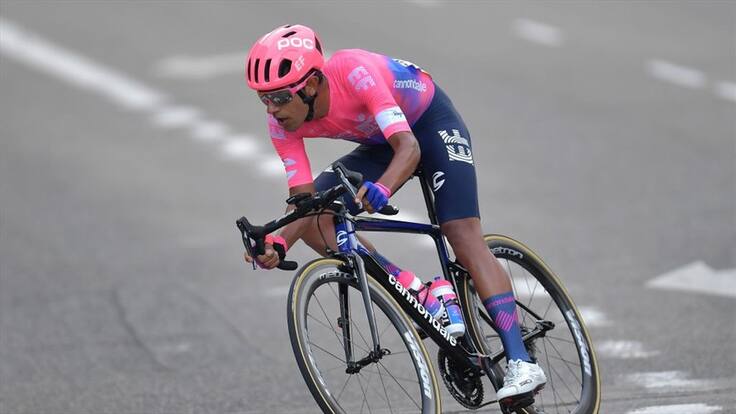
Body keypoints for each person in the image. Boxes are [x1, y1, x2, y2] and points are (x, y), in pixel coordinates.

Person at [242, 24, 546, 402]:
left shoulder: (354, 71)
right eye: (264, 99)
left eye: (279, 97)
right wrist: (277, 243)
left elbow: (409, 148)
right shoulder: (280, 123)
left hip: (428, 126)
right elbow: (303, 202)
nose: (272, 109)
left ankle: (521, 362)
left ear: (313, 84)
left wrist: (384, 188)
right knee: (316, 217)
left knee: (461, 233)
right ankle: (421, 292)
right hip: (380, 143)